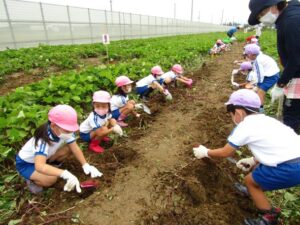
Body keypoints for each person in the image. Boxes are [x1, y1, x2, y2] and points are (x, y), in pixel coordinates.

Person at [193, 89, 300, 225]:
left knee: (250, 181)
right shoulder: (268, 121)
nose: (232, 118)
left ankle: (269, 217)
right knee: (257, 171)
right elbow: (277, 147)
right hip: (296, 159)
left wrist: (206, 152)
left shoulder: (245, 126)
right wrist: (253, 160)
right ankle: (253, 191)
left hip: (289, 168)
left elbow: (226, 152)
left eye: (231, 114)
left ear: (238, 112)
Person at [16, 105, 103, 194]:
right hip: (27, 164)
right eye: (67, 131)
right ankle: (31, 180)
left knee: (68, 149)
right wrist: (64, 173)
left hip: (45, 158)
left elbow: (75, 148)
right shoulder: (42, 141)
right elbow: (39, 166)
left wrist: (85, 164)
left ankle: (50, 168)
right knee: (51, 179)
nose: (70, 133)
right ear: (53, 126)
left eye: (71, 130)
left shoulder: (63, 130)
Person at [248, 0, 300, 133]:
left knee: (290, 115)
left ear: (274, 5)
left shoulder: (291, 20)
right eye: (259, 16)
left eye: (262, 13)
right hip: (294, 73)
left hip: (297, 75)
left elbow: (296, 58)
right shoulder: (288, 16)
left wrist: (280, 84)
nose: (262, 18)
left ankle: (289, 147)